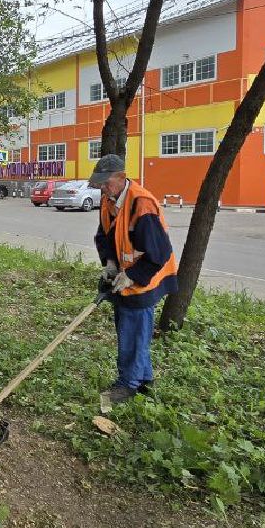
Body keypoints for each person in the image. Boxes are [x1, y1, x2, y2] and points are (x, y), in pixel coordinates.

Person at [90, 153, 178, 414]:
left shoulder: (142, 205)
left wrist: (132, 276)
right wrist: (110, 264)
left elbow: (159, 255)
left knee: (132, 331)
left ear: (121, 177)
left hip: (146, 279)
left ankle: (127, 385)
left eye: (106, 183)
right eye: (100, 184)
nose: (103, 189)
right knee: (133, 330)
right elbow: (103, 236)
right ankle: (145, 381)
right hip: (124, 275)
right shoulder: (109, 201)